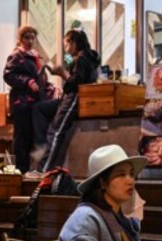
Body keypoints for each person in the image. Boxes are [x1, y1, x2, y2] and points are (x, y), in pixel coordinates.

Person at [29, 29, 100, 177]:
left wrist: (62, 73)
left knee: (56, 132)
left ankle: (44, 170)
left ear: (73, 43)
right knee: (41, 111)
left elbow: (76, 83)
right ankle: (41, 154)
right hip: (72, 97)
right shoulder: (90, 57)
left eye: (66, 45)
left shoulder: (81, 59)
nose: (66, 49)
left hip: (74, 98)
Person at [3, 25, 55, 174]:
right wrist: (27, 81)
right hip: (22, 104)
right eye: (27, 37)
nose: (30, 40)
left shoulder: (36, 56)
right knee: (22, 139)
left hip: (36, 103)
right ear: (20, 39)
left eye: (33, 37)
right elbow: (9, 75)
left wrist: (49, 87)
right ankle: (20, 171)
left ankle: (31, 172)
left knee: (34, 139)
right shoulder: (16, 56)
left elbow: (40, 77)